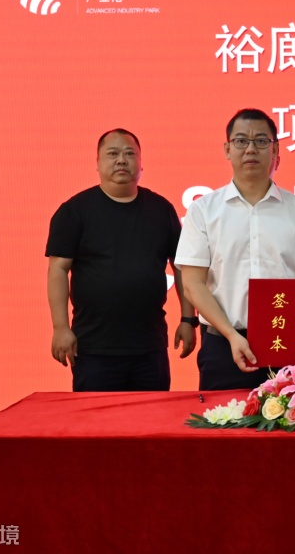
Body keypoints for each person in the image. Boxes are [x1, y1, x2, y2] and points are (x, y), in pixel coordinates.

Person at [175, 108, 295, 391]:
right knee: (222, 418)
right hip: (223, 344)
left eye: (261, 141)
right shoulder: (203, 210)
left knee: (288, 419)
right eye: (241, 141)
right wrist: (231, 335)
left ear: (275, 150)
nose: (250, 149)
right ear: (227, 149)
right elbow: (192, 284)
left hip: (284, 343)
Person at [46, 129, 196, 392]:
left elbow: (181, 266)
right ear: (97, 162)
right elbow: (58, 269)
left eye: (130, 154)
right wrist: (60, 327)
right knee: (97, 419)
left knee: (152, 416)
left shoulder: (161, 209)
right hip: (93, 347)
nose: (121, 160)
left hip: (149, 347)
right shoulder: (74, 211)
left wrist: (188, 319)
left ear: (141, 163)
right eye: (112, 154)